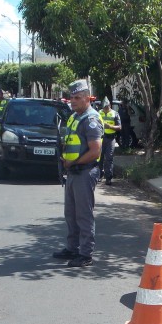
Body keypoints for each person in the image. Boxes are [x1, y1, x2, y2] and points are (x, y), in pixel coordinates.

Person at [52, 80, 103, 267]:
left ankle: (85, 254)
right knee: (71, 213)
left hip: (84, 171)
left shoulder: (91, 119)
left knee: (83, 214)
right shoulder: (75, 116)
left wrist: (73, 161)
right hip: (73, 171)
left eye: (77, 98)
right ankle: (72, 248)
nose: (73, 101)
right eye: (71, 97)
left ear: (87, 98)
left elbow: (95, 151)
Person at [99, 97, 121, 185]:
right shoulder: (99, 113)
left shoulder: (115, 114)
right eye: (104, 107)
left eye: (107, 107)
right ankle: (100, 175)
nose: (105, 109)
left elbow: (119, 127)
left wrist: (110, 127)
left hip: (111, 138)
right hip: (101, 138)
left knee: (109, 158)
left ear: (110, 106)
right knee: (99, 157)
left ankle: (108, 178)